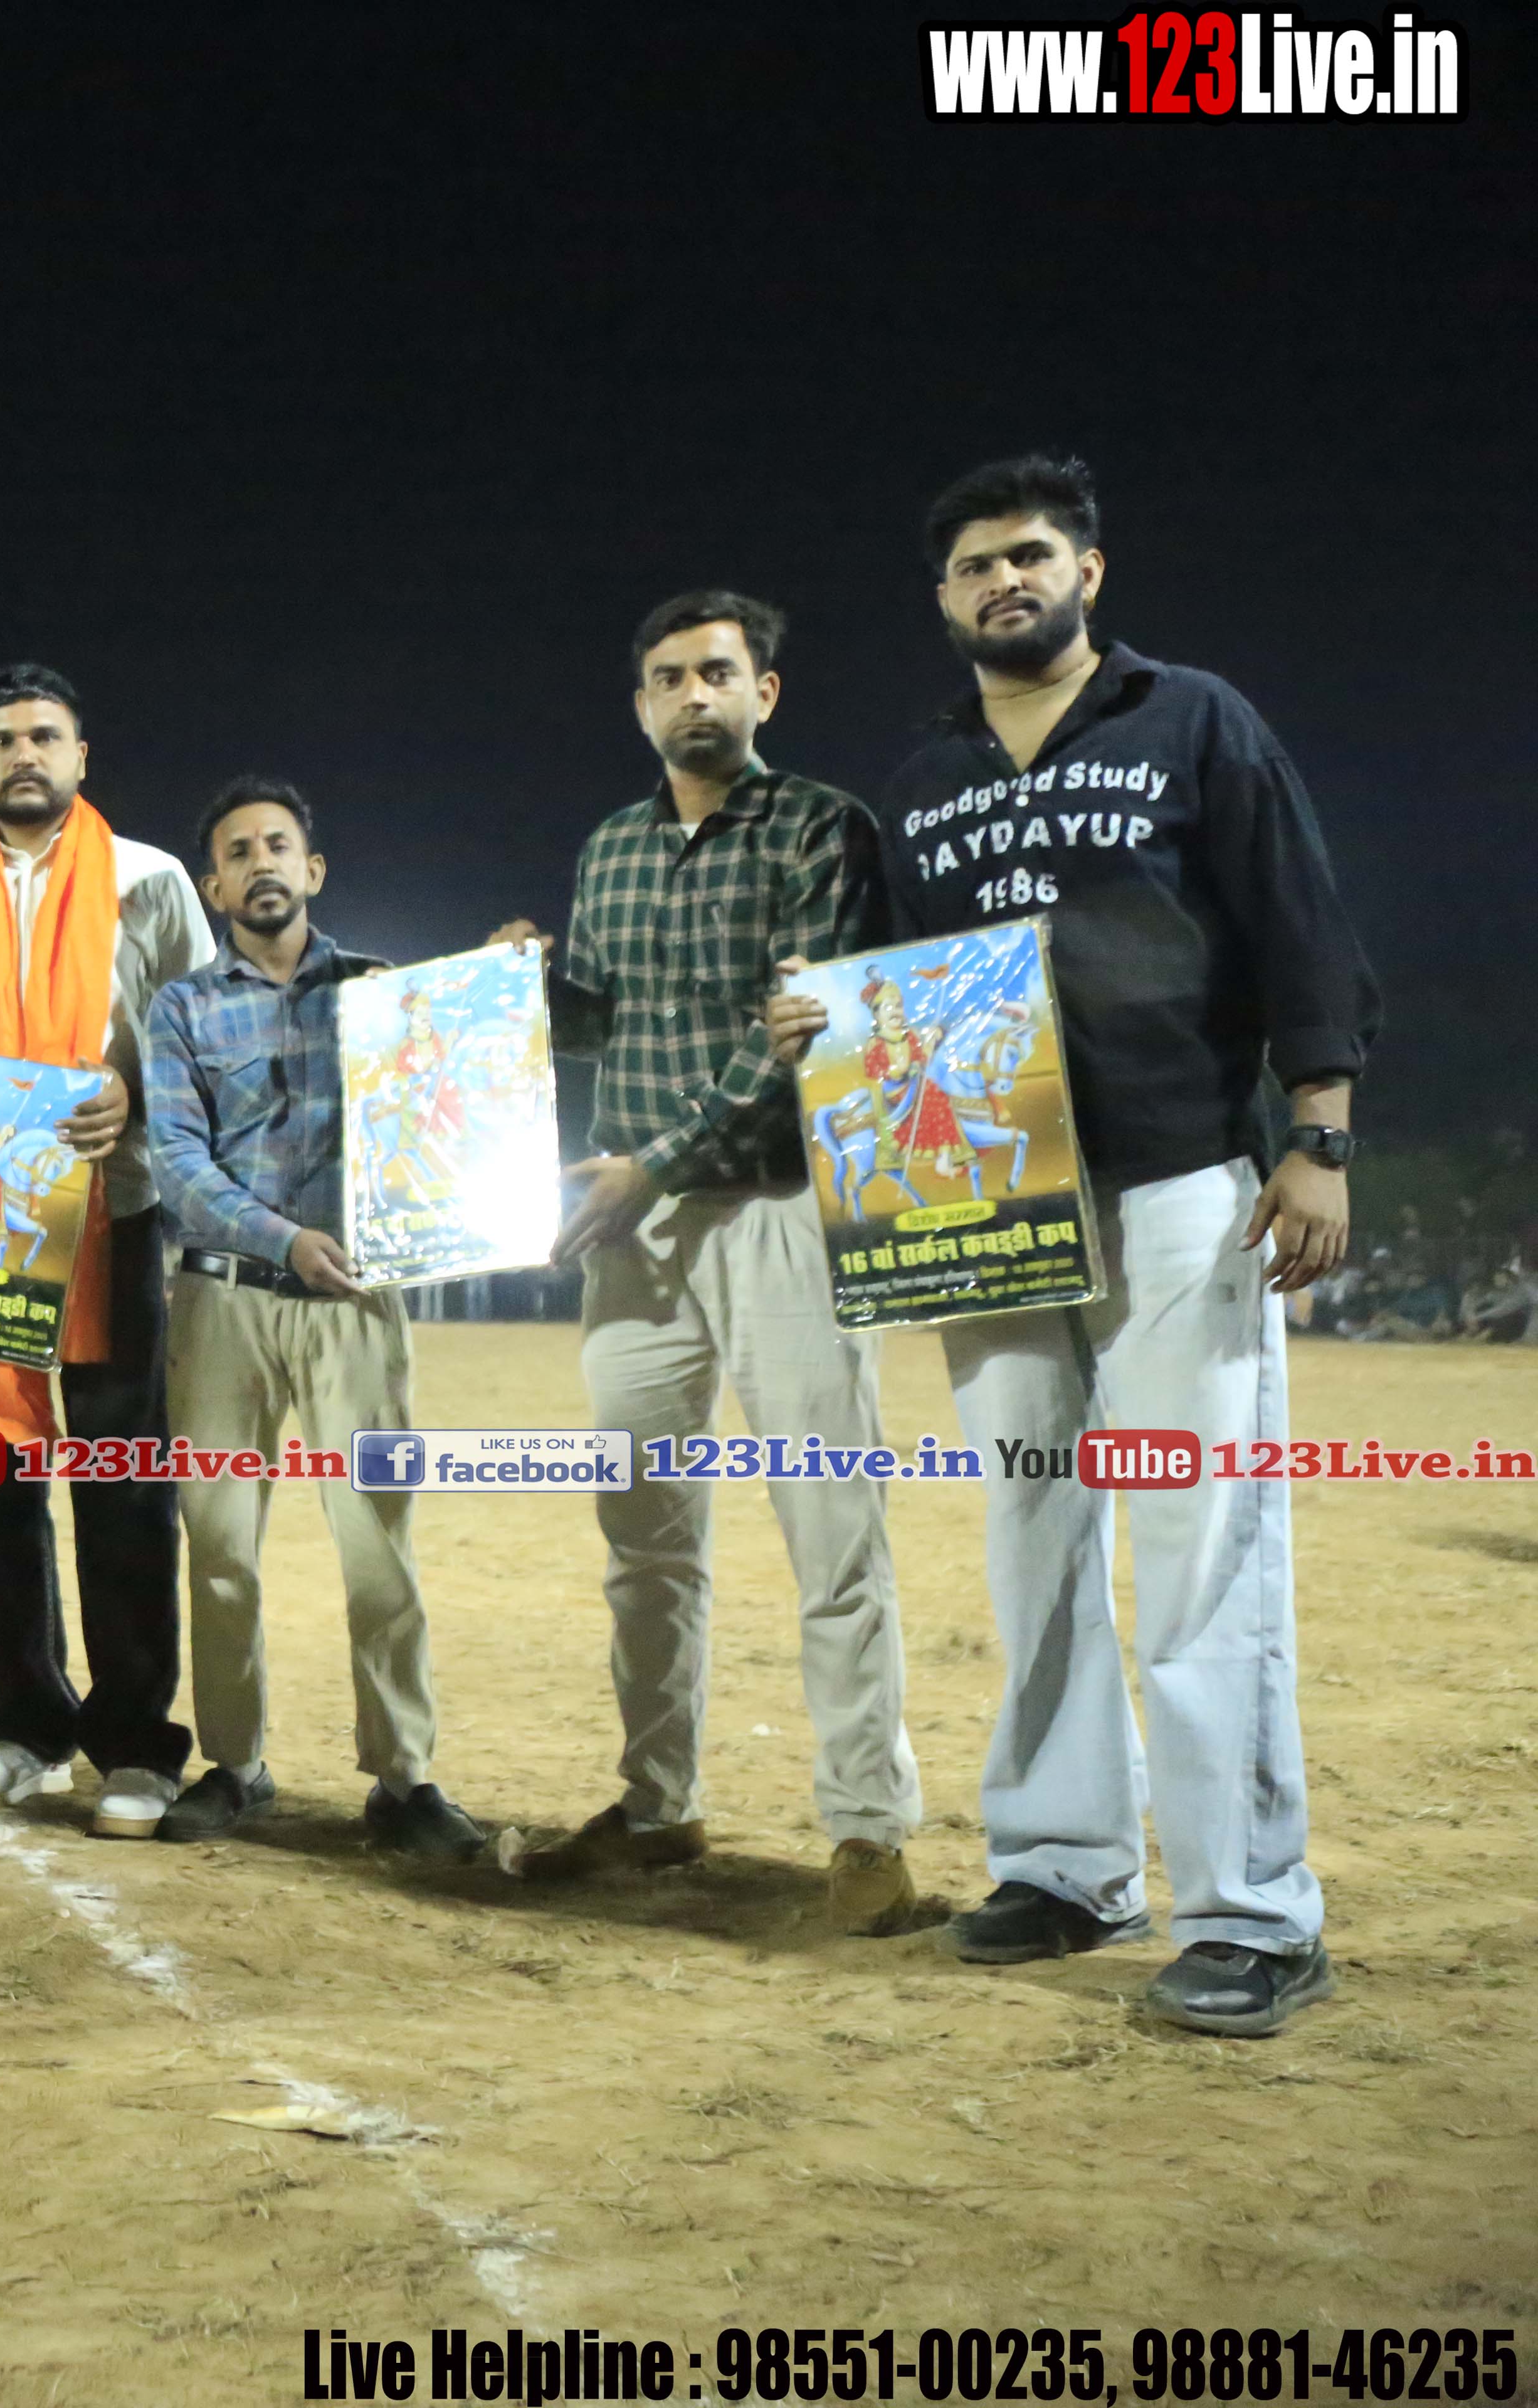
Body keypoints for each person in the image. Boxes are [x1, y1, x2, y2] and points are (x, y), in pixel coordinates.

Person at [773, 455, 1376, 2035]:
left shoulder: (1191, 719)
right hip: (988, 1201)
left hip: (1179, 1176)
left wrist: (1315, 1131)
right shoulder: (923, 779)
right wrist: (818, 1023)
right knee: (1031, 1535)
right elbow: (893, 987)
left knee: (1198, 1541)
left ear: (1086, 571)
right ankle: (1061, 1865)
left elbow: (1297, 922)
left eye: (1029, 554)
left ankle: (1252, 1912)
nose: (1004, 580)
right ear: (942, 598)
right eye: (974, 565)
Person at [493, 588, 925, 1936]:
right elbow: (602, 1025)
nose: (695, 694)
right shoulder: (611, 846)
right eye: (670, 677)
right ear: (641, 705)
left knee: (829, 1523)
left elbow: (801, 1030)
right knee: (645, 1533)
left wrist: (658, 1166)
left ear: (763, 693)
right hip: (635, 1229)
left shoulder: (821, 827)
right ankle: (658, 1806)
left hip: (773, 1205)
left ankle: (869, 1836)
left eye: (718, 673)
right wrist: (525, 986)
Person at [0, 663, 213, 1836]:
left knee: (123, 1485)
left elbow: (199, 1036)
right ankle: (26, 1724)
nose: (25, 753)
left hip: (116, 1209)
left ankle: (137, 1744)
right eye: (3, 738)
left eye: (46, 736)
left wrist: (134, 1094)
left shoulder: (150, 879)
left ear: (80, 756)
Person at [142, 780, 483, 1857]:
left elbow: (455, 1112)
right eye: (239, 851)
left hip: (357, 1305)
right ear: (215, 887)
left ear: (313, 869)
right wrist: (283, 1238)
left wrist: (492, 991)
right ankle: (234, 1765)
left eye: (279, 845)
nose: (262, 863)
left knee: (378, 1545)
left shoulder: (385, 996)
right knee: (220, 1550)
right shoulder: (182, 1009)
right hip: (223, 1303)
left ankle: (404, 1779)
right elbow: (176, 1162)